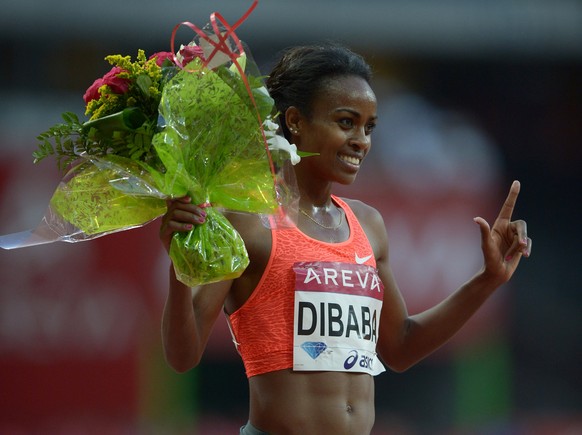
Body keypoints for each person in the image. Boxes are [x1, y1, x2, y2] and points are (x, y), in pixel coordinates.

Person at [159, 43, 532, 435]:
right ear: (295, 121)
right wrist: (180, 264)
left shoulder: (368, 225)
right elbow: (182, 356)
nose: (362, 141)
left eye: (369, 127)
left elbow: (400, 347)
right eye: (346, 122)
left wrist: (488, 279)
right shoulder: (249, 224)